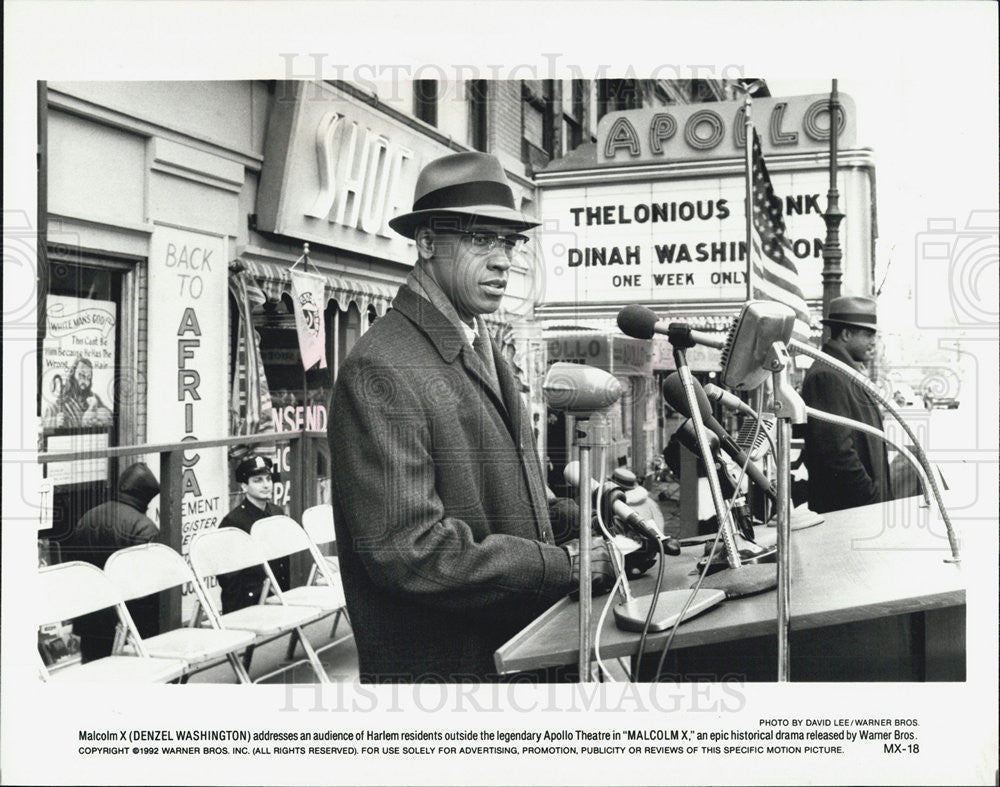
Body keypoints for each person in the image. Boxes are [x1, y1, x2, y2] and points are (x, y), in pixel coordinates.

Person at [329, 152, 615, 682]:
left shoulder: (484, 346)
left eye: (508, 241)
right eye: (481, 239)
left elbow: (517, 504)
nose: (503, 259)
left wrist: (602, 518)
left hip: (515, 658)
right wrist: (566, 566)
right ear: (427, 243)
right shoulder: (381, 367)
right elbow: (408, 550)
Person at [800, 295, 892, 514]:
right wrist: (869, 497)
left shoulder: (843, 372)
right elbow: (836, 452)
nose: (873, 342)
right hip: (851, 514)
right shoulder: (827, 375)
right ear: (847, 334)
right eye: (868, 334)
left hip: (858, 512)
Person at [61, 462, 160, 663]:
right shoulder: (144, 528)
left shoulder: (89, 516)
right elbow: (149, 586)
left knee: (95, 676)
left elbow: (72, 564)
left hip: (90, 617)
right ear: (145, 497)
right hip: (128, 622)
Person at [216, 454, 289, 613]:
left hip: (276, 592)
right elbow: (228, 576)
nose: (266, 485)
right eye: (257, 480)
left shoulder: (277, 512)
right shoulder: (233, 521)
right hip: (248, 600)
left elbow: (282, 561)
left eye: (268, 479)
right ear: (244, 487)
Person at [43, 355, 113, 430]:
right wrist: (55, 422)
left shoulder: (94, 400)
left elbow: (111, 419)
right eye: (81, 375)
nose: (85, 382)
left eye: (88, 378)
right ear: (72, 374)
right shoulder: (55, 407)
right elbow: (42, 430)